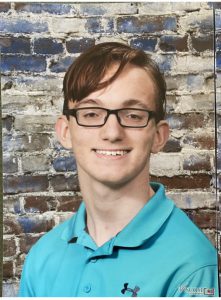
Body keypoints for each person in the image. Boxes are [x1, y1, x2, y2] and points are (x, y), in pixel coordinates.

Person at [18, 42, 219, 297]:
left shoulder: (192, 266)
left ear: (158, 136)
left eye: (133, 115)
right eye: (91, 114)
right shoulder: (41, 257)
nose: (112, 133)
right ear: (66, 132)